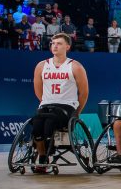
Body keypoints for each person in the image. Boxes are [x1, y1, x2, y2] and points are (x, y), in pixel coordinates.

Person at [30, 34, 89, 173]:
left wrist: (77, 113)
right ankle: (43, 157)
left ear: (67, 47)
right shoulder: (41, 65)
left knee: (51, 121)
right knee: (37, 125)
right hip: (47, 105)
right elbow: (38, 90)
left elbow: (84, 93)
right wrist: (46, 102)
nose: (55, 46)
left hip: (66, 106)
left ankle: (49, 151)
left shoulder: (75, 66)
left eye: (59, 43)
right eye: (53, 43)